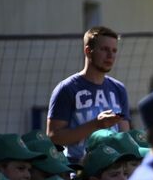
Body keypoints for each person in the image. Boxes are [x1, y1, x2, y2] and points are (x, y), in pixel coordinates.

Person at [47, 26, 130, 163]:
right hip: (78, 169)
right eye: (104, 49)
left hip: (113, 170)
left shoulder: (119, 89)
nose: (110, 56)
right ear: (88, 51)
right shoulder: (67, 89)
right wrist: (96, 125)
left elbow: (124, 135)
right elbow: (53, 137)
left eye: (114, 50)